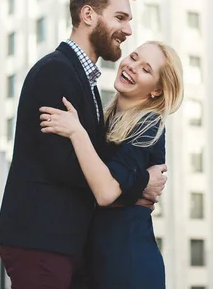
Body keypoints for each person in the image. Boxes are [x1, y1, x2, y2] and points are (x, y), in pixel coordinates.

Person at [0, 0, 168, 289]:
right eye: (120, 17)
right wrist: (139, 184)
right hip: (43, 240)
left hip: (66, 245)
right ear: (88, 15)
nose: (127, 31)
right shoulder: (56, 73)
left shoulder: (85, 83)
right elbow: (65, 166)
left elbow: (91, 165)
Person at [39, 41, 184, 289]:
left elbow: (105, 193)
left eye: (146, 69)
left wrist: (76, 132)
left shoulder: (148, 125)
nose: (132, 66)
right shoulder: (106, 120)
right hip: (97, 262)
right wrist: (140, 185)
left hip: (128, 266)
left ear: (156, 91)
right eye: (134, 57)